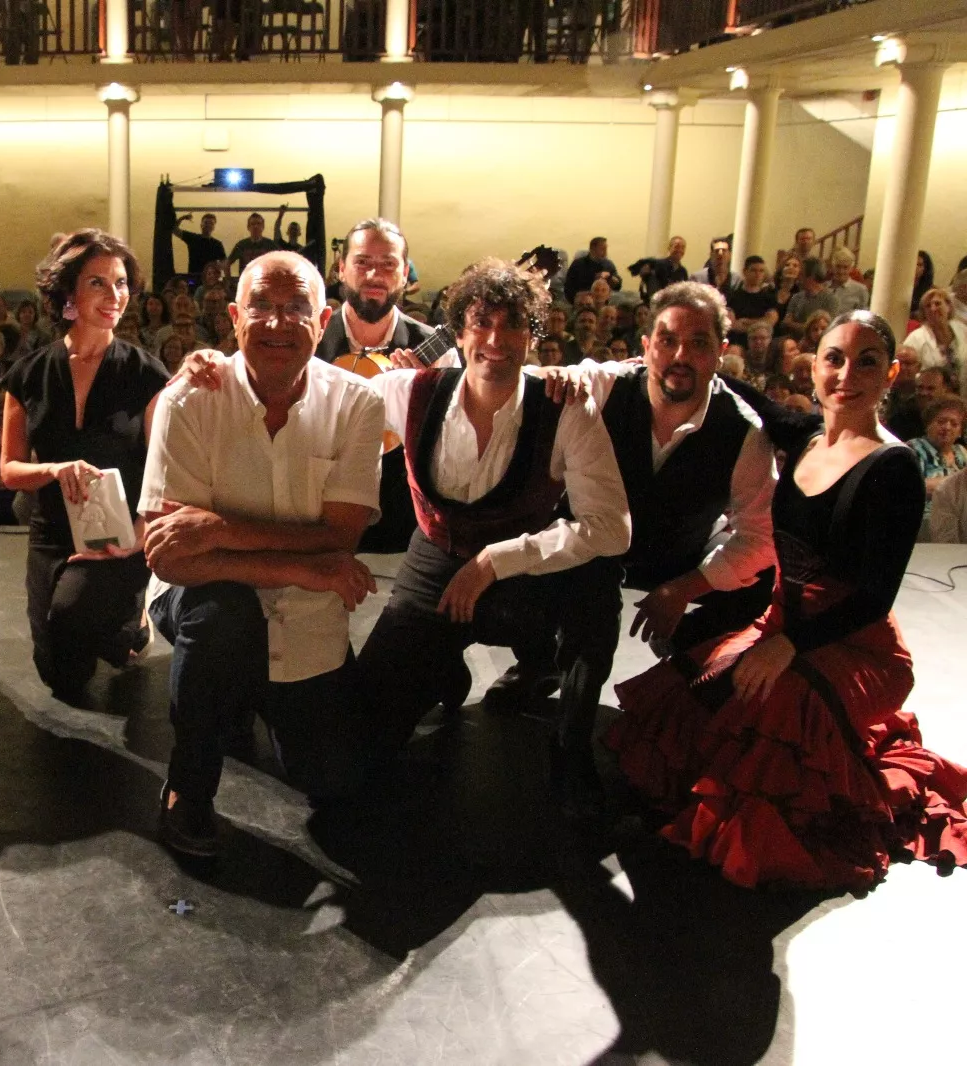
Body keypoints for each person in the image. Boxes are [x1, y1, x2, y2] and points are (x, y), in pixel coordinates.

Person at [606, 311, 967, 890]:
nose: (846, 374)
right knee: (696, 685)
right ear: (815, 368)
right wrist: (662, 361)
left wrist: (786, 648)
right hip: (785, 620)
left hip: (855, 645)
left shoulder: (893, 466)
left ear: (892, 373)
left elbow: (872, 599)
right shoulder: (803, 436)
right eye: (834, 359)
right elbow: (739, 391)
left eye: (867, 361)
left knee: (771, 707)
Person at [354, 257, 631, 808]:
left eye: (513, 325)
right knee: (361, 738)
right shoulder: (410, 389)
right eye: (481, 323)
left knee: (598, 584)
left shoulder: (565, 407)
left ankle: (569, 734)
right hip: (437, 555)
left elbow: (611, 528)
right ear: (458, 333)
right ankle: (442, 671)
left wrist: (494, 562)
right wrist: (216, 364)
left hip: (523, 568)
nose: (496, 340)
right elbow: (317, 387)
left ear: (534, 335)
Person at [139, 250, 384, 856]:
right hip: (215, 598)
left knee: (337, 779)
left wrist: (219, 530)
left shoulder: (358, 404)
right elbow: (169, 558)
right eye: (262, 307)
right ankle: (187, 786)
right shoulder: (188, 401)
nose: (278, 323)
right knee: (222, 615)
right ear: (233, 317)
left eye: (296, 307)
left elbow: (342, 537)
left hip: (306, 616)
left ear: (323, 319)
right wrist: (305, 567)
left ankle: (248, 703)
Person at [521, 283, 777, 779]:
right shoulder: (603, 384)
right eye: (667, 340)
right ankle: (549, 683)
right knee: (571, 586)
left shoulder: (747, 432)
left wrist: (685, 589)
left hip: (675, 555)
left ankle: (694, 695)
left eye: (699, 343)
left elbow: (759, 538)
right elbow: (516, 376)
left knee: (759, 589)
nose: (680, 356)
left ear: (722, 353)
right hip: (592, 546)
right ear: (645, 345)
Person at [0, 230, 170, 704]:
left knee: (73, 619)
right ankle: (118, 626)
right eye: (98, 283)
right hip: (51, 532)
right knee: (60, 678)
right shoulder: (29, 373)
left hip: (120, 537)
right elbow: (10, 470)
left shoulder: (147, 374)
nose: (114, 296)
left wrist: (137, 536)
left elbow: (165, 475)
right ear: (67, 293)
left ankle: (130, 621)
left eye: (120, 283)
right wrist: (54, 471)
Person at [315, 218, 450, 553]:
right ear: (341, 269)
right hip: (312, 525)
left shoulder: (437, 351)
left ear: (405, 274)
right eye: (363, 262)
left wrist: (421, 397)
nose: (375, 276)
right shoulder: (307, 339)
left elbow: (453, 446)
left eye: (388, 265)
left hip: (402, 534)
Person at [907, 396, 967, 528]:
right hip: (924, 522)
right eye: (941, 421)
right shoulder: (914, 449)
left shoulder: (961, 452)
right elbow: (912, 488)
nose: (947, 427)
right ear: (929, 425)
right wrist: (957, 481)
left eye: (954, 424)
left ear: (960, 432)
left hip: (958, 522)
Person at [901, 286, 967, 382]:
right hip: (930, 394)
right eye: (928, 306)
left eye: (937, 304)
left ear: (948, 307)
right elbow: (907, 374)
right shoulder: (915, 338)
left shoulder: (962, 329)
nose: (933, 308)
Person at [726, 255, 778, 346]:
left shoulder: (770, 298)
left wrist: (745, 321)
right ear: (745, 272)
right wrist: (761, 321)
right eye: (753, 270)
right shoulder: (732, 296)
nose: (758, 274)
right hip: (737, 343)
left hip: (761, 345)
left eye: (761, 271)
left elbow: (770, 323)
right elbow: (733, 325)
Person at [783, 257, 838, 337]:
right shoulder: (796, 297)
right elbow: (786, 323)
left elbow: (825, 329)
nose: (798, 277)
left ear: (811, 277)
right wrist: (809, 326)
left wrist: (794, 325)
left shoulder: (831, 300)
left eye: (801, 274)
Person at [563, 236, 622, 303]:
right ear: (592, 249)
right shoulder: (578, 264)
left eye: (606, 249)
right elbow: (568, 288)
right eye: (602, 249)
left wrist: (612, 279)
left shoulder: (609, 265)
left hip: (603, 304)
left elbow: (617, 285)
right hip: (582, 302)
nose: (605, 253)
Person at [174, 212, 227, 280]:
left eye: (211, 223)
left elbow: (224, 263)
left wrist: (217, 270)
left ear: (214, 227)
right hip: (193, 278)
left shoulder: (217, 244)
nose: (208, 225)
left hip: (210, 280)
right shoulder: (193, 238)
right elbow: (174, 230)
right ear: (201, 224)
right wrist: (182, 218)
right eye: (206, 222)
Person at [826, 247, 870, 315]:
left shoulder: (861, 290)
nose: (841, 271)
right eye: (838, 266)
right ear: (832, 267)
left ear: (851, 269)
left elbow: (862, 318)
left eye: (845, 267)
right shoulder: (823, 287)